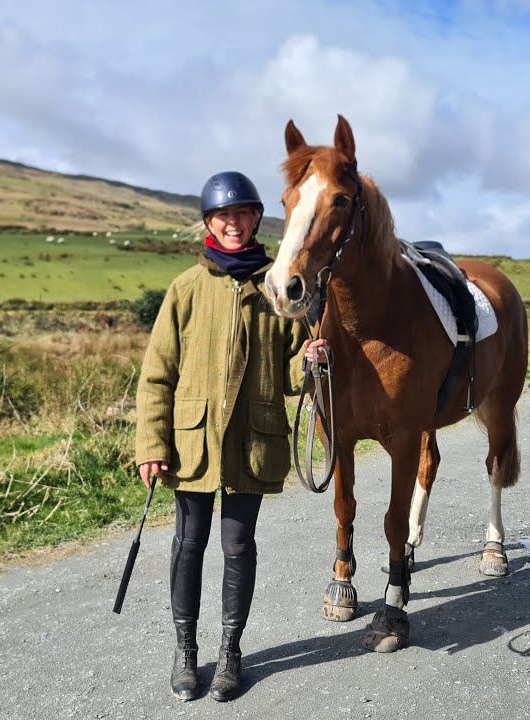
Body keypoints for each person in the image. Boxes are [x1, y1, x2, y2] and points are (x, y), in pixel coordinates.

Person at [135, 170, 327, 702]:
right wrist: (152, 446)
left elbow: (291, 375)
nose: (234, 223)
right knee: (189, 543)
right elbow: (157, 375)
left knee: (238, 545)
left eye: (243, 214)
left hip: (253, 439)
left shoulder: (279, 287)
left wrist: (308, 364)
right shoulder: (185, 289)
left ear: (256, 219)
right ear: (209, 223)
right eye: (224, 215)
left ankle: (231, 654)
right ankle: (187, 653)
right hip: (191, 441)